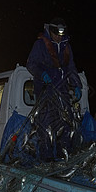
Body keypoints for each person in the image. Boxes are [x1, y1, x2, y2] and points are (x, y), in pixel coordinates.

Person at [26, 17, 83, 161]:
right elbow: (31, 64)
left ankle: (64, 158)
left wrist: (77, 84)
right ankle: (47, 161)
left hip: (62, 90)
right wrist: (42, 74)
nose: (59, 37)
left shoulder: (66, 46)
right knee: (45, 127)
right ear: (50, 31)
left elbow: (71, 67)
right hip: (46, 90)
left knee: (67, 124)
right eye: (56, 34)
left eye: (61, 34)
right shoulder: (40, 45)